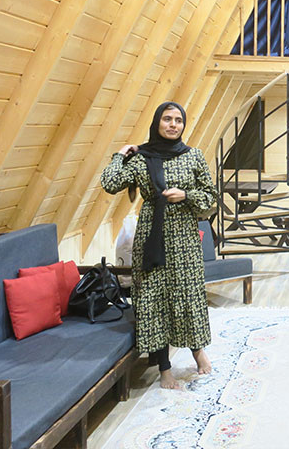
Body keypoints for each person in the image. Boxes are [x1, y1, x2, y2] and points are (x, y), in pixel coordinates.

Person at [100, 101, 216, 390]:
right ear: (157, 122)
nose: (173, 124)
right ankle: (164, 367)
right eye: (167, 119)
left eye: (178, 120)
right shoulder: (142, 158)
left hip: (185, 236)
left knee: (188, 294)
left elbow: (211, 197)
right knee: (154, 299)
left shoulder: (193, 156)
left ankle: (198, 350)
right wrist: (120, 155)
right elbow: (110, 183)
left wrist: (186, 195)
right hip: (152, 237)